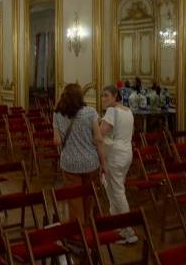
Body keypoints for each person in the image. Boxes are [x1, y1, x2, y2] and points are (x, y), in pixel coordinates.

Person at [53, 83, 106, 223]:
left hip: (70, 163)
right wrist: (103, 163)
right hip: (90, 161)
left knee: (74, 200)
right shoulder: (90, 112)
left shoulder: (58, 114)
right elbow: (99, 139)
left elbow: (57, 141)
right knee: (89, 197)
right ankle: (89, 229)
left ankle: (78, 234)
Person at [100, 85, 137, 244]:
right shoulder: (128, 111)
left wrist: (94, 125)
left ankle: (128, 231)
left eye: (106, 95)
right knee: (114, 190)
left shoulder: (112, 111)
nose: (103, 99)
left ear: (115, 96)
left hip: (115, 155)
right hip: (127, 153)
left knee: (117, 191)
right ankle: (117, 226)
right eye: (102, 96)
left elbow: (101, 132)